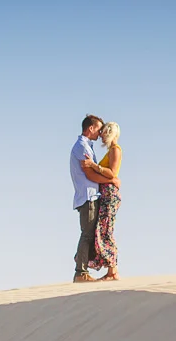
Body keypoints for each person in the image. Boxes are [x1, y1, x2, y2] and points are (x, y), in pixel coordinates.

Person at [69, 115, 118, 283]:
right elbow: (89, 174)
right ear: (91, 128)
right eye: (98, 129)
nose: (100, 133)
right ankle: (80, 272)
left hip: (91, 195)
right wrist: (111, 180)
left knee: (92, 233)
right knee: (88, 234)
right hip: (88, 196)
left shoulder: (86, 146)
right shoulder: (81, 146)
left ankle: (84, 270)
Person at [82, 121, 122, 280]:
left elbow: (112, 173)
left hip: (110, 193)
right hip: (105, 193)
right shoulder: (110, 151)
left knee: (106, 230)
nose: (101, 136)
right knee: (103, 229)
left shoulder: (115, 150)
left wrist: (93, 166)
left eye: (104, 132)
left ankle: (113, 271)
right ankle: (111, 270)